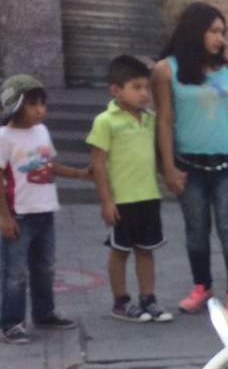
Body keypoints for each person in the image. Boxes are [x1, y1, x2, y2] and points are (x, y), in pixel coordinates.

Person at [153, 2, 228, 322]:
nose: (220, 38)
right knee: (196, 230)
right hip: (189, 165)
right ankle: (202, 287)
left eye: (223, 32)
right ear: (195, 31)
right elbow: (164, 120)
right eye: (214, 31)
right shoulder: (166, 70)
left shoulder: (227, 67)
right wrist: (168, 167)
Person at [0, 75, 91, 344]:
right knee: (15, 272)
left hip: (44, 211)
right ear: (15, 106)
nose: (40, 110)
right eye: (33, 104)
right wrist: (4, 217)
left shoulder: (42, 132)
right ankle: (11, 322)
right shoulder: (4, 137)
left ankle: (44, 313)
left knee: (45, 267)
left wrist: (79, 174)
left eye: (42, 103)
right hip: (18, 214)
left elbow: (49, 165)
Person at [86, 55, 173, 323]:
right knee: (120, 251)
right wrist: (106, 201)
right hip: (122, 200)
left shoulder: (150, 120)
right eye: (136, 87)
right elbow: (98, 164)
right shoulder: (105, 121)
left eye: (146, 87)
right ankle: (121, 302)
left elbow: (157, 154)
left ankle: (148, 298)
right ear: (116, 90)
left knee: (146, 250)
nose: (144, 93)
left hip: (148, 196)